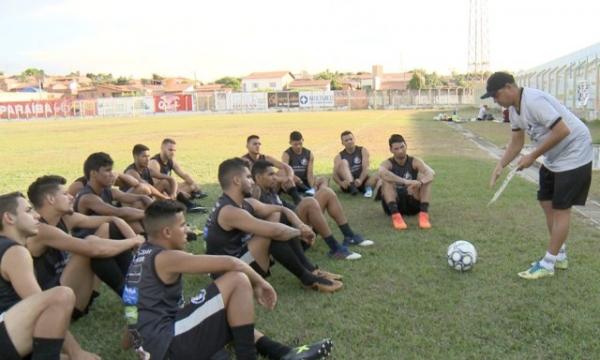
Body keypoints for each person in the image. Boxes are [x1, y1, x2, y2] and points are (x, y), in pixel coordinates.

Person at [123, 200, 334, 360]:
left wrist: (134, 342)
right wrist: (261, 283)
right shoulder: (165, 257)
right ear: (167, 232)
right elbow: (230, 263)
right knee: (237, 280)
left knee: (228, 311)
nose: (187, 230)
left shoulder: (140, 257)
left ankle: (282, 352)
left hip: (157, 346)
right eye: (183, 225)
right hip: (169, 346)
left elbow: (132, 310)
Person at [484, 71, 593, 280]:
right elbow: (517, 142)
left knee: (561, 209)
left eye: (496, 95)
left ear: (509, 87)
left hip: (575, 152)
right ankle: (559, 255)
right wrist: (500, 165)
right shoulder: (515, 111)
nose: (495, 101)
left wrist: (532, 156)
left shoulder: (533, 101)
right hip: (554, 157)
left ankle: (548, 263)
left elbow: (563, 130)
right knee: (545, 201)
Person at [205, 158, 342, 292]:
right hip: (226, 274)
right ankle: (307, 278)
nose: (253, 182)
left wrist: (300, 225)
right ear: (236, 180)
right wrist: (300, 233)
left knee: (276, 216)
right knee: (270, 233)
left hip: (239, 258)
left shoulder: (246, 202)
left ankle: (312, 271)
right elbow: (275, 231)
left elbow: (282, 209)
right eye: (248, 177)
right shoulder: (229, 211)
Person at [0, 192, 100, 359]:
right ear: (9, 218)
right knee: (61, 295)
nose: (37, 215)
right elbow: (40, 302)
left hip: (10, 330)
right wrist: (77, 352)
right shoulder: (14, 252)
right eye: (28, 210)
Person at [26, 175, 144, 307]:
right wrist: (134, 241)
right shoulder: (41, 230)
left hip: (75, 288)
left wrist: (136, 242)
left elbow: (113, 219)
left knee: (106, 229)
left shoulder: (66, 219)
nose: (72, 197)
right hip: (57, 302)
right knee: (92, 244)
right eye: (65, 194)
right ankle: (133, 296)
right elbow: (94, 249)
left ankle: (138, 288)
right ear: (51, 199)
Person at [252, 159, 372, 260]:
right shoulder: (256, 192)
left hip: (300, 227)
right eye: (270, 175)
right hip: (289, 239)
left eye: (274, 174)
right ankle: (335, 248)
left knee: (326, 192)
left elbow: (286, 169)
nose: (275, 177)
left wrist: (291, 185)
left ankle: (349, 235)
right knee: (309, 202)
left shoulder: (270, 189)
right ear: (258, 178)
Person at [74, 152, 151, 234]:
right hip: (91, 239)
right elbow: (118, 212)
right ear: (93, 173)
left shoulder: (107, 190)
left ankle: (146, 238)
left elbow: (137, 197)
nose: (112, 175)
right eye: (108, 170)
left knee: (138, 204)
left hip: (109, 233)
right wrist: (152, 214)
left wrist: (147, 200)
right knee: (124, 217)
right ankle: (145, 239)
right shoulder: (88, 197)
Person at [378, 134, 435, 230]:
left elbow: (431, 173)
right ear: (391, 150)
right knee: (386, 180)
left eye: (402, 147)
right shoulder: (388, 163)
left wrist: (420, 182)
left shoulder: (415, 161)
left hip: (412, 202)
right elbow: (382, 172)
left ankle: (424, 215)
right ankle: (396, 217)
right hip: (394, 203)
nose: (400, 151)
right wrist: (405, 181)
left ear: (406, 145)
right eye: (396, 149)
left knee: (424, 178)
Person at [243, 135, 303, 204]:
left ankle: (297, 198)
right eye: (254, 144)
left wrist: (290, 177)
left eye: (259, 144)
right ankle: (300, 192)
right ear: (247, 146)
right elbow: (254, 179)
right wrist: (282, 179)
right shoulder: (245, 161)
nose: (257, 146)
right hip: (257, 188)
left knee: (283, 172)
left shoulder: (266, 158)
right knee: (280, 176)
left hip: (270, 184)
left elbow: (287, 167)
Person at [333, 130, 378, 197]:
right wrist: (341, 183)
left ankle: (367, 189)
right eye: (346, 140)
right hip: (348, 185)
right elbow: (334, 174)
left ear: (354, 139)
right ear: (342, 143)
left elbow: (366, 167)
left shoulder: (362, 150)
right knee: (343, 162)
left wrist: (360, 180)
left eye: (351, 139)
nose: (349, 142)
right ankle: (353, 186)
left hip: (362, 180)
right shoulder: (339, 156)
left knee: (379, 173)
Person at [281, 131, 327, 196]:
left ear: (303, 140)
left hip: (305, 181)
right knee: (289, 180)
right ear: (290, 143)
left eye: (300, 143)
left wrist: (312, 185)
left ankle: (318, 193)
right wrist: (293, 177)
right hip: (293, 181)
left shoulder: (309, 154)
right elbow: (285, 171)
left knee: (323, 179)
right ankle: (305, 193)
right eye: (295, 144)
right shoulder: (286, 154)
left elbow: (310, 173)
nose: (298, 146)